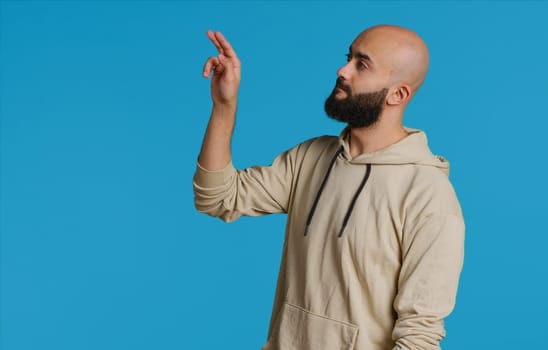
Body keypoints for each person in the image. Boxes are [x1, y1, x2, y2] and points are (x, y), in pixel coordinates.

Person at [193, 25, 465, 350]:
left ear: (398, 94)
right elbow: (218, 197)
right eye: (348, 57)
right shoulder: (311, 157)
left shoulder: (428, 195)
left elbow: (419, 337)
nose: (342, 70)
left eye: (361, 65)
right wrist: (224, 106)